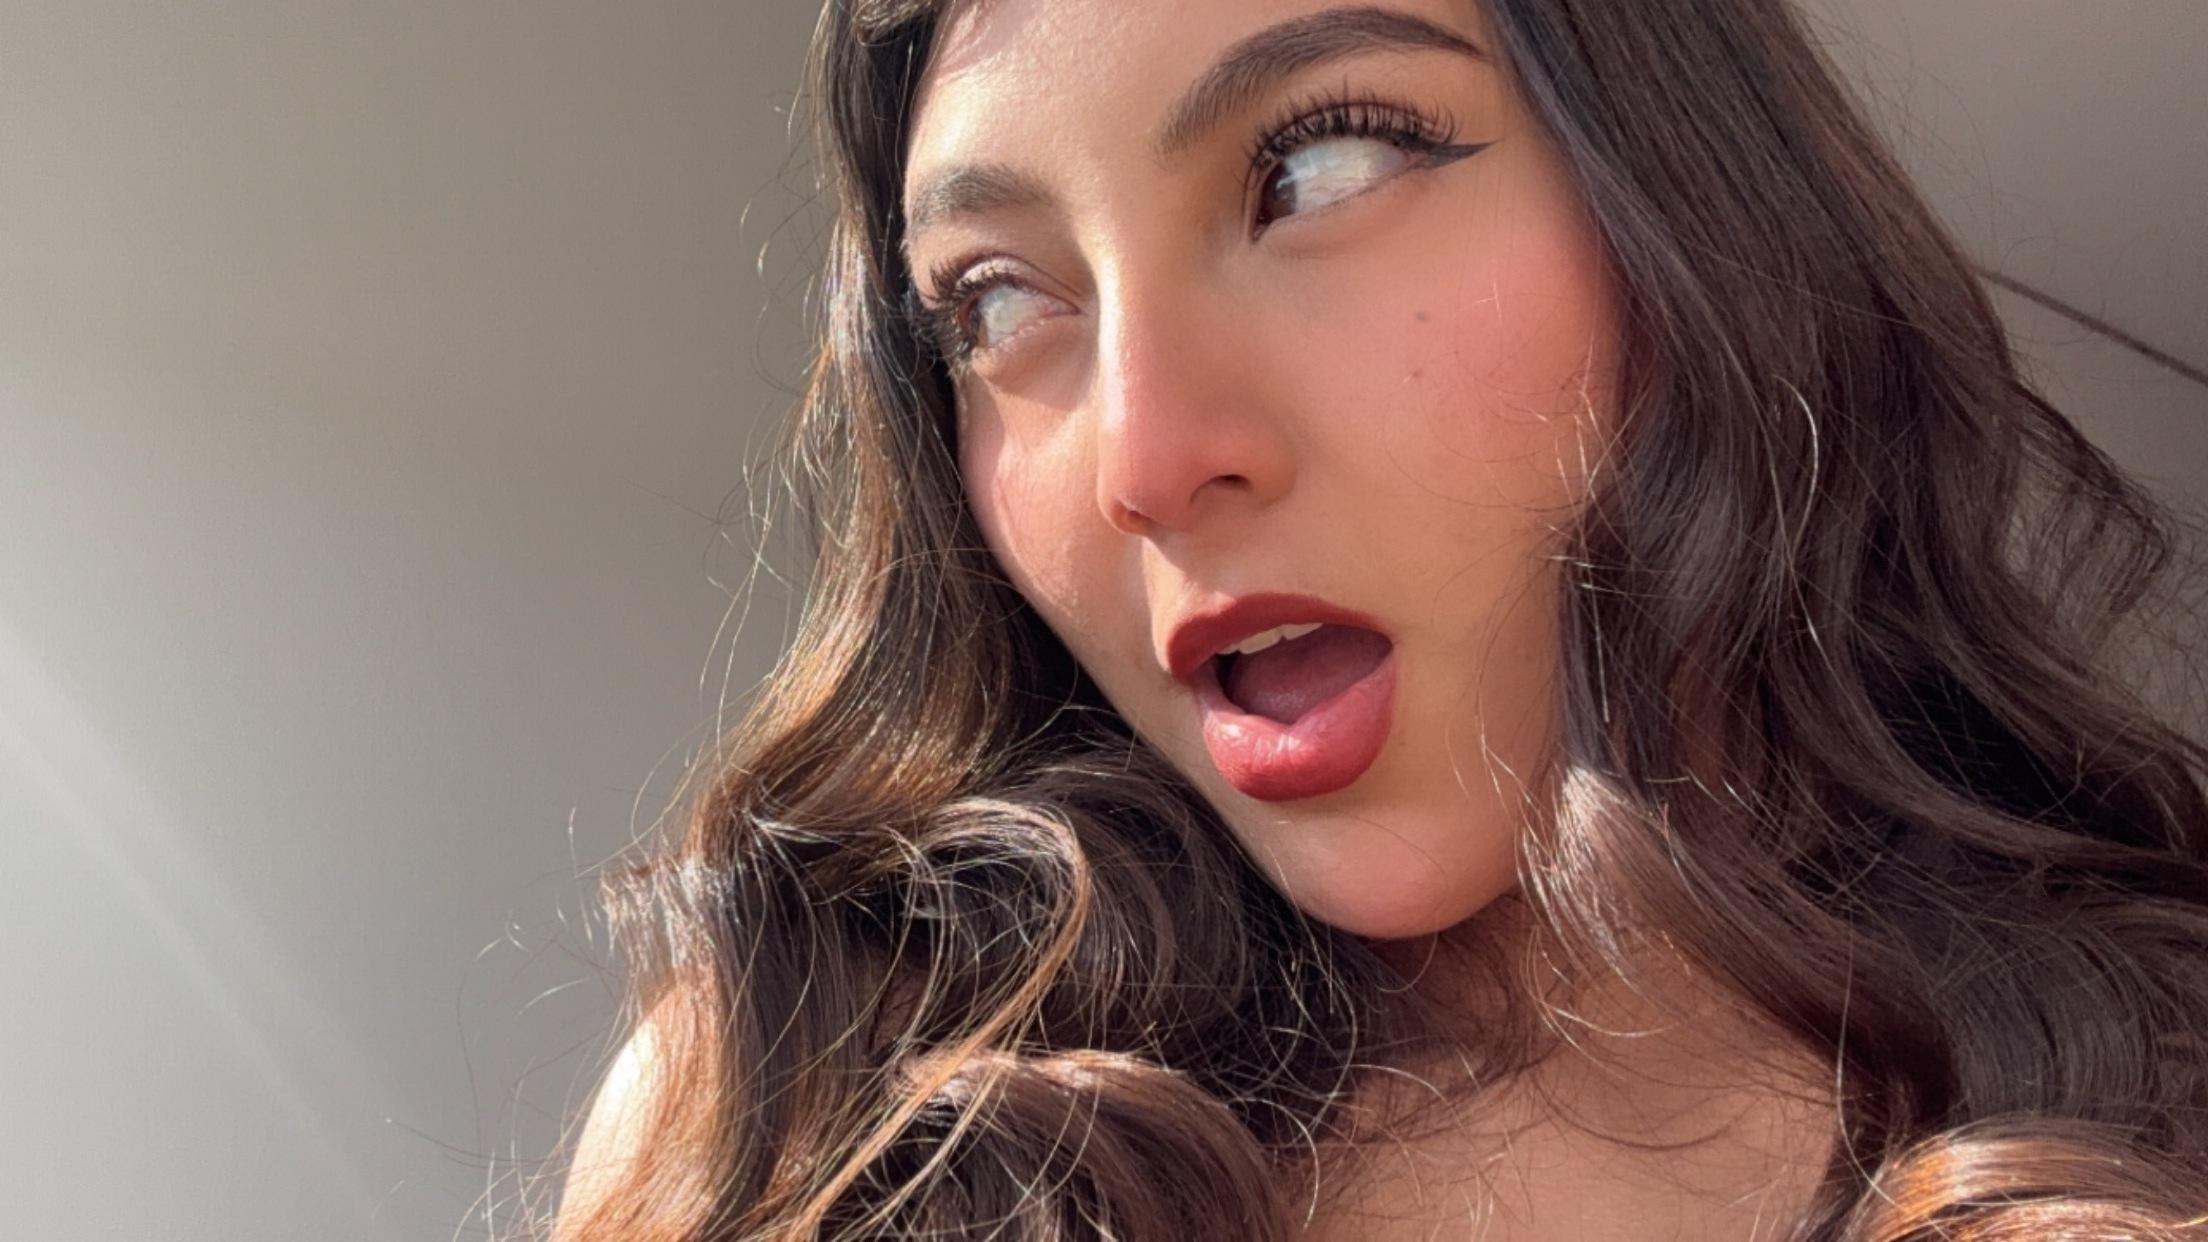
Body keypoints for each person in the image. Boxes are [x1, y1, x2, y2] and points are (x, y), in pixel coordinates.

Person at [546, 0, 2208, 1237]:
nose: (1143, 458)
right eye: (997, 298)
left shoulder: (2161, 1047)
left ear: (1698, 202)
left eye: (1322, 164)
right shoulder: (816, 1090)